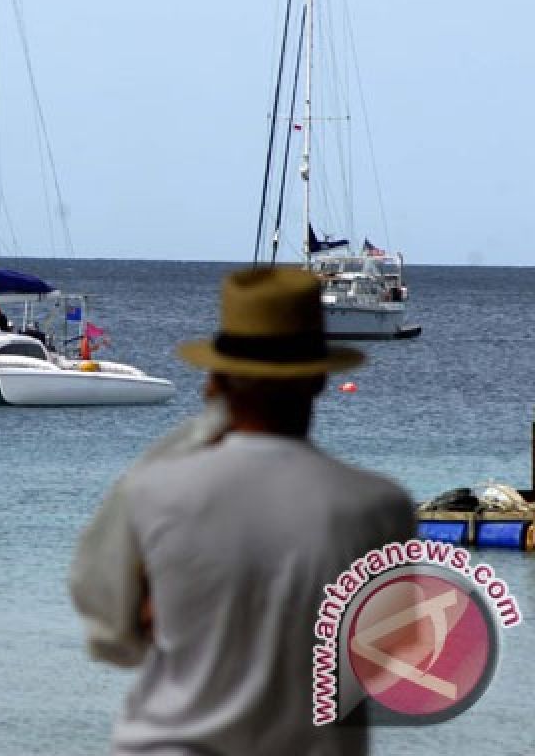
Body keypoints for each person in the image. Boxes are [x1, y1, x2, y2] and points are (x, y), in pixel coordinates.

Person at [69, 267, 414, 756]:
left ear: (214, 382)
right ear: (319, 377)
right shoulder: (381, 509)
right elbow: (386, 661)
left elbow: (110, 637)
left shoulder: (154, 490)